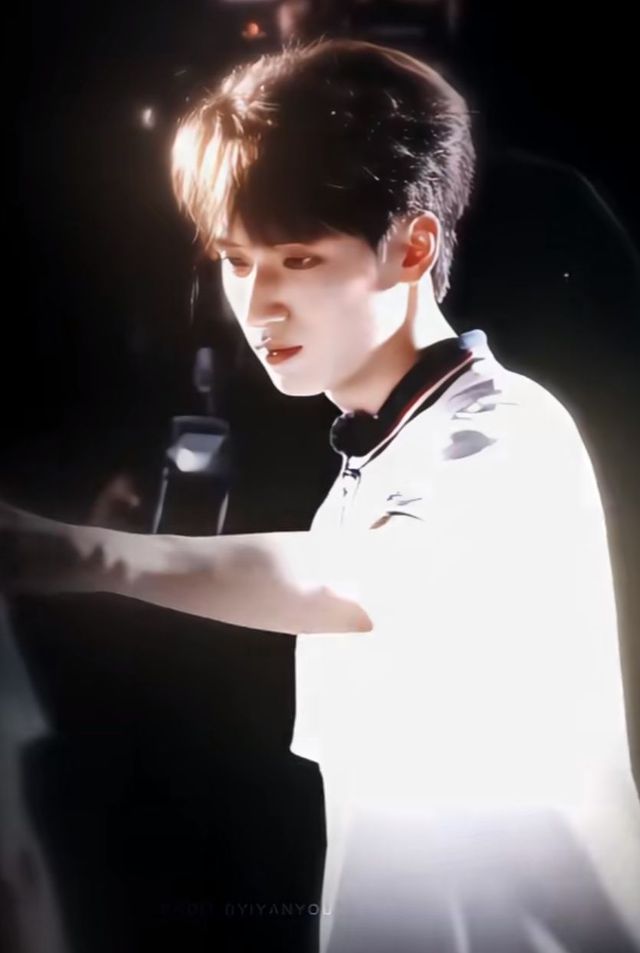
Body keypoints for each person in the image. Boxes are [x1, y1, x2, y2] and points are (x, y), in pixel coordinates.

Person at [2, 40, 639, 952]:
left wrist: (76, 552)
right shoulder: (378, 453)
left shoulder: (506, 433)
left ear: (414, 245)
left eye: (298, 259)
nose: (257, 305)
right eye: (235, 259)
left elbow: (365, 579)